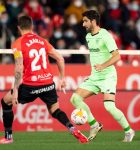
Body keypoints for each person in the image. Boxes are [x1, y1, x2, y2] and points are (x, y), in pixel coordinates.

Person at [0, 15, 88, 144]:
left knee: (5, 102)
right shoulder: (42, 41)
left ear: (19, 28)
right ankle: (72, 128)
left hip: (31, 85)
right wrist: (62, 78)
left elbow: (19, 67)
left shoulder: (17, 43)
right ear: (32, 27)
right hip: (48, 83)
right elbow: (60, 58)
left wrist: (15, 89)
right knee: (55, 110)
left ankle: (8, 137)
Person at [70, 10, 135, 142]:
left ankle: (129, 131)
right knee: (75, 99)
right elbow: (95, 57)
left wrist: (103, 66)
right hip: (95, 77)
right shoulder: (88, 37)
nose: (83, 24)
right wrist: (92, 75)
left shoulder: (105, 35)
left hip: (108, 76)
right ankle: (94, 124)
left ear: (93, 21)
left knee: (109, 106)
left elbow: (117, 56)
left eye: (85, 21)